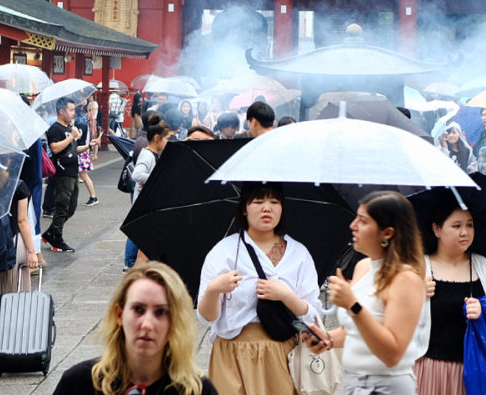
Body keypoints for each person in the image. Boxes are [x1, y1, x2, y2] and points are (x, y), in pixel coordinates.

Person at [197, 183, 322, 394]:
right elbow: (207, 318)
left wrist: (285, 296)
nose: (267, 208)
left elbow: (310, 316)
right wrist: (214, 289)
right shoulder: (224, 252)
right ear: (244, 208)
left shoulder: (299, 254)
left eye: (274, 202)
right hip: (232, 355)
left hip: (282, 355)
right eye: (258, 201)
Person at [302, 190, 428, 395]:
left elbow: (392, 354)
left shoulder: (406, 279)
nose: (353, 226)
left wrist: (352, 305)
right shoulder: (362, 267)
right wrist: (328, 339)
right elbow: (357, 330)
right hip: (352, 382)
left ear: (387, 233)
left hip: (386, 386)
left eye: (363, 221)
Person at [52, 261, 218, 395]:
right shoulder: (79, 383)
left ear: (174, 322)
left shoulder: (198, 390)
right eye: (138, 309)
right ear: (119, 314)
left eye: (160, 312)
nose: (147, 324)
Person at [415, 196, 486, 395]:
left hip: (474, 372)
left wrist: (485, 312)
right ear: (437, 229)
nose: (465, 232)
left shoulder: (485, 266)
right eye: (456, 225)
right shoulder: (418, 267)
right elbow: (393, 314)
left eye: (469, 225)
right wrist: (413, 293)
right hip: (428, 371)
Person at [0, 178, 40, 359]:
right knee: (17, 294)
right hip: (12, 243)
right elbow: (22, 221)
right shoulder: (19, 185)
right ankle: (13, 342)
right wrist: (31, 251)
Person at [126, 122, 172, 267]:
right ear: (157, 138)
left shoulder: (152, 154)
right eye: (167, 138)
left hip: (146, 200)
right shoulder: (148, 155)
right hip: (142, 201)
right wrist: (156, 179)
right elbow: (137, 175)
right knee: (138, 234)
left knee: (139, 232)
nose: (168, 142)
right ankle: (131, 262)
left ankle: (131, 262)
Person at [43, 99, 81, 253]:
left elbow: (73, 150)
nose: (73, 113)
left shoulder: (69, 128)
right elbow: (55, 148)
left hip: (73, 172)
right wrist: (71, 137)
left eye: (73, 110)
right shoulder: (54, 129)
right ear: (61, 111)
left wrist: (89, 146)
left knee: (71, 208)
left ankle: (51, 233)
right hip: (62, 173)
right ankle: (56, 237)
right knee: (62, 207)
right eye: (71, 110)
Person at [79, 101, 101, 207]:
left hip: (82, 152)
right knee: (82, 176)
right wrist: (94, 154)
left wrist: (94, 153)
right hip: (84, 151)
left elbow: (94, 140)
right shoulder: (90, 123)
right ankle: (93, 197)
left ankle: (93, 197)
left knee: (84, 176)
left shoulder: (85, 124)